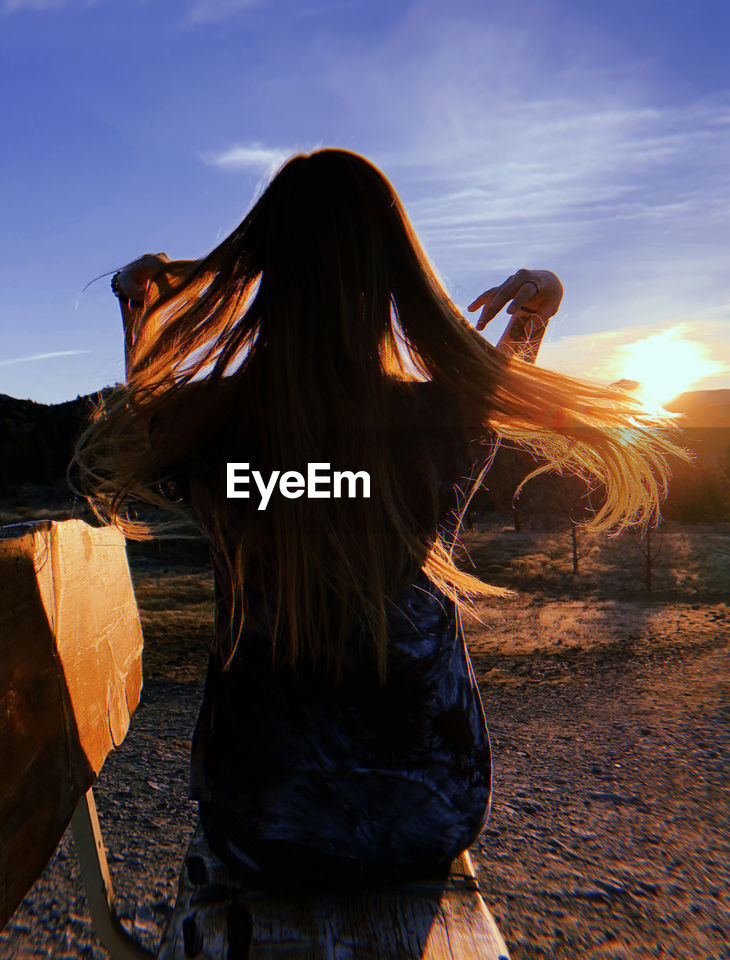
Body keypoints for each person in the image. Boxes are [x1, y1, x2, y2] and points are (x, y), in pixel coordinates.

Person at [74, 148, 679, 887]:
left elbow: (143, 407)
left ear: (265, 267)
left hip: (260, 821)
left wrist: (137, 301)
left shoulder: (209, 425)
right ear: (393, 273)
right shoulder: (446, 419)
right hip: (430, 811)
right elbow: (506, 370)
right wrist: (537, 303)